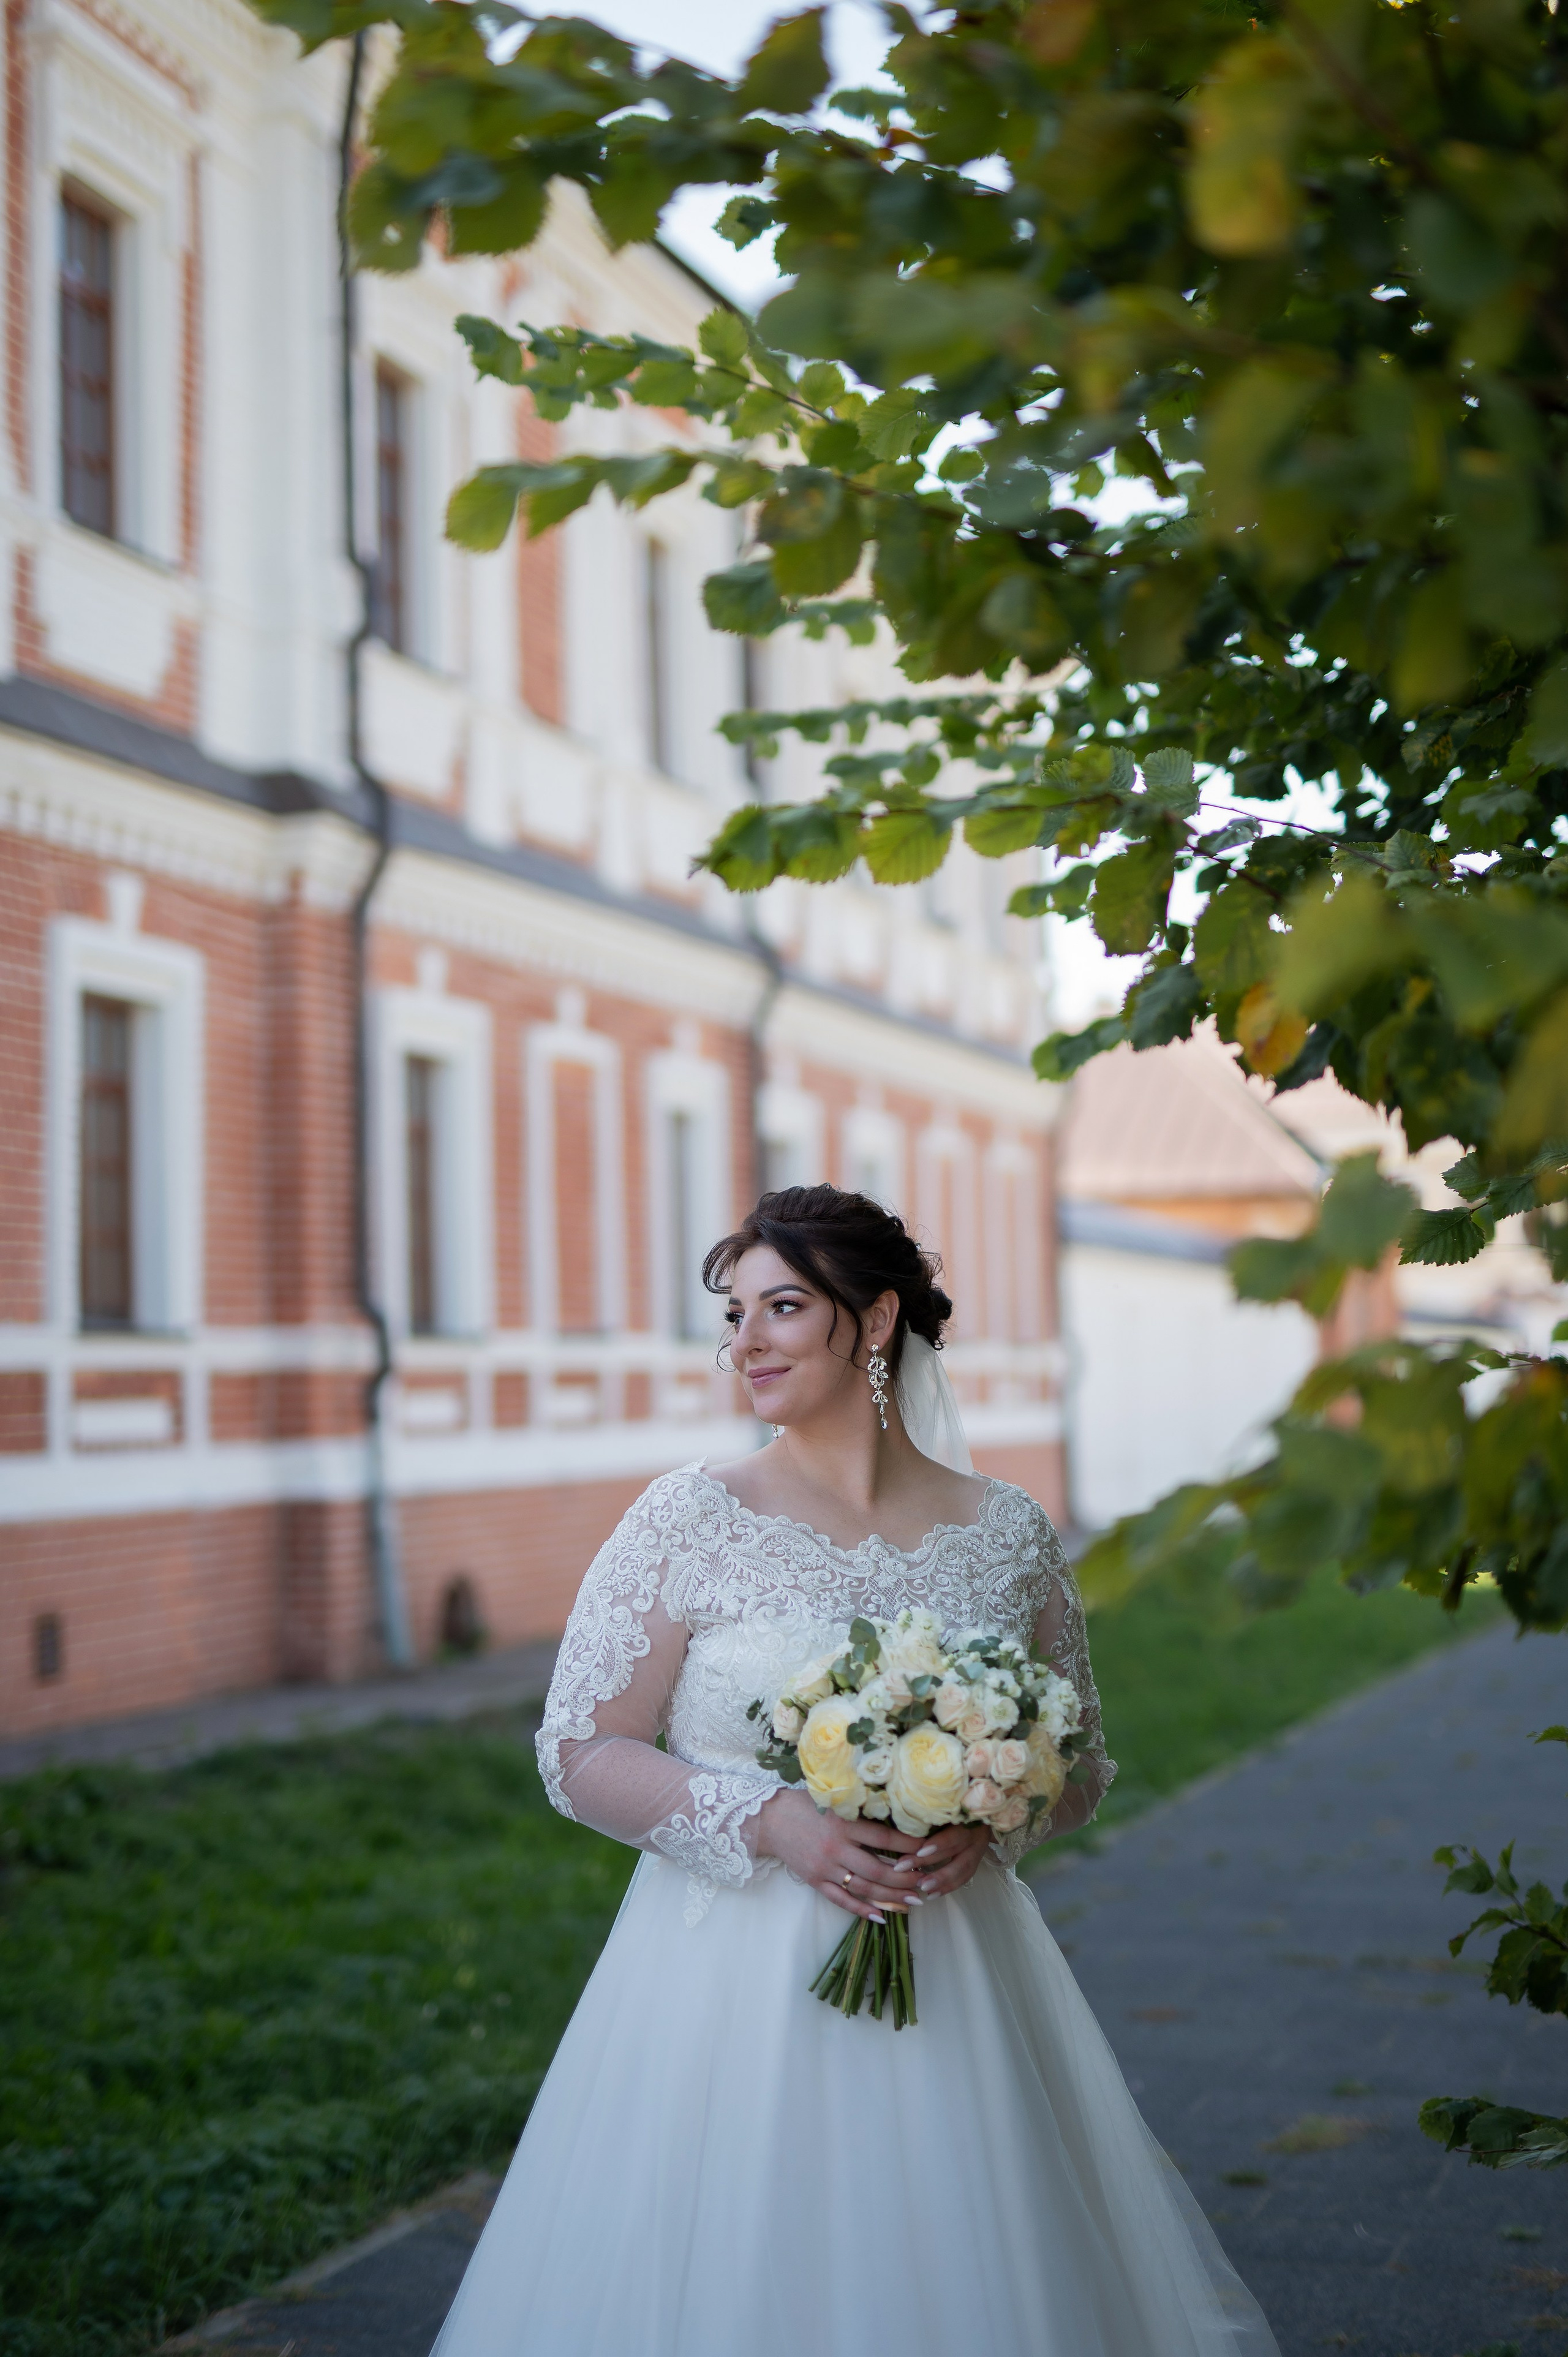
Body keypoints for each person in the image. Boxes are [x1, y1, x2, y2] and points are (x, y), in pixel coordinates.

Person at [431, 1186, 1278, 2357]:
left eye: (783, 1307)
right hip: (722, 1987)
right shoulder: (690, 1519)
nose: (748, 1343)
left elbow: (1078, 1765)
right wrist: (772, 1821)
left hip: (957, 1968)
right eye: (736, 1315)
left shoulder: (1009, 1532)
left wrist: (988, 1818)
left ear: (873, 1321)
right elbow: (577, 1750)